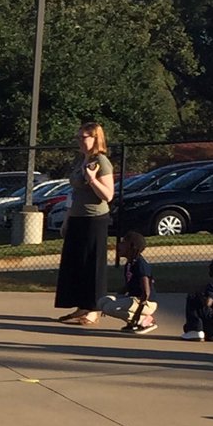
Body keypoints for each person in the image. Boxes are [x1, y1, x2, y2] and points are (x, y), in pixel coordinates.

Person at [55, 122, 115, 325]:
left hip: (94, 220)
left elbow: (108, 195)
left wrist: (91, 179)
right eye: (78, 137)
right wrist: (67, 219)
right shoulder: (82, 160)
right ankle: (82, 305)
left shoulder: (101, 161)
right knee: (77, 264)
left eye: (84, 137)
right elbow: (74, 193)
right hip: (77, 218)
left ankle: (94, 309)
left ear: (95, 138)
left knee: (92, 264)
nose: (80, 141)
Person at [96, 232, 157, 334]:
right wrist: (117, 297)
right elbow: (128, 286)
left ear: (132, 247)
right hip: (133, 299)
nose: (119, 245)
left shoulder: (140, 265)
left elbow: (146, 293)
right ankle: (135, 321)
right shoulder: (130, 263)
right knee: (103, 302)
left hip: (146, 302)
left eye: (123, 243)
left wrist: (137, 314)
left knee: (109, 307)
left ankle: (143, 321)